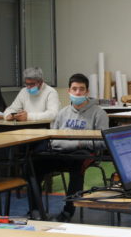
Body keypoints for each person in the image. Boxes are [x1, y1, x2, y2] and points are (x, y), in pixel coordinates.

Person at [33, 73, 108, 222]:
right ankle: (35, 210)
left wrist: (79, 143)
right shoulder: (62, 113)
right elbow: (53, 139)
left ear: (87, 92)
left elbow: (103, 142)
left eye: (81, 89)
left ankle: (68, 212)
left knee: (77, 165)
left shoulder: (99, 113)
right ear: (69, 91)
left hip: (85, 154)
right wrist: (73, 142)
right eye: (74, 89)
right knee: (34, 164)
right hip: (61, 152)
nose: (78, 93)